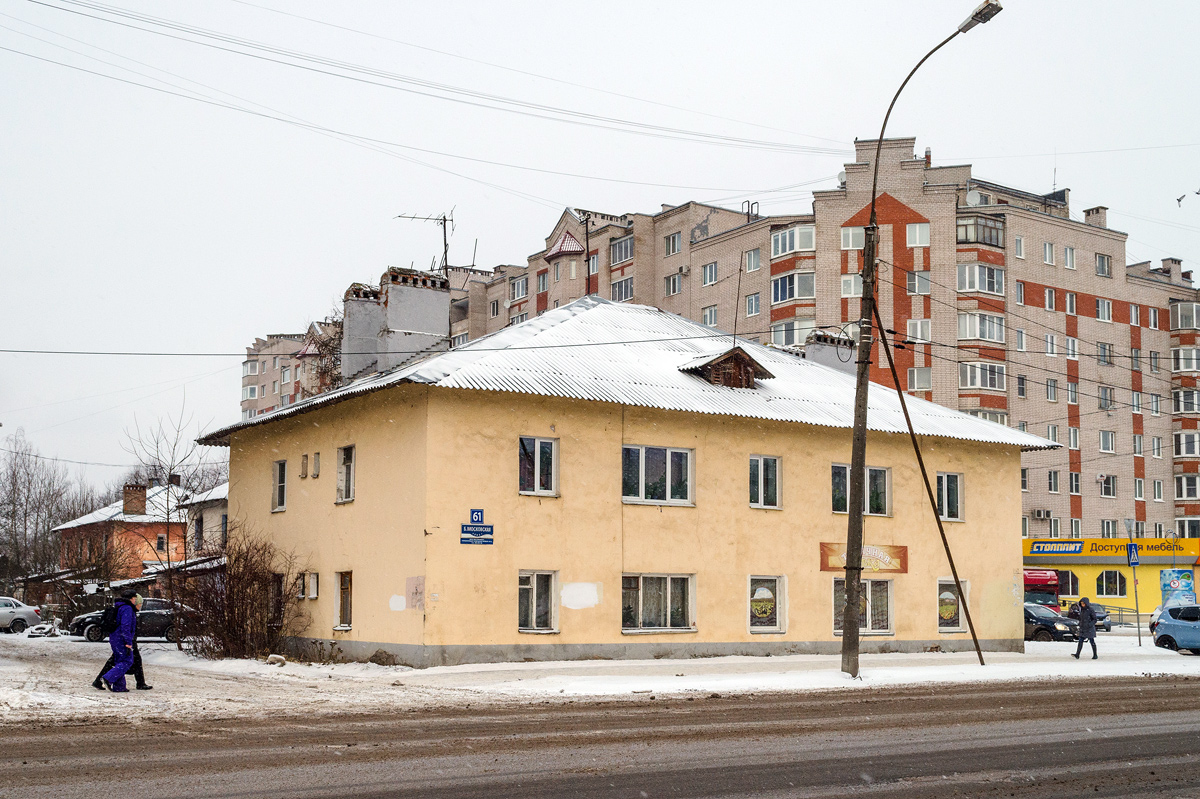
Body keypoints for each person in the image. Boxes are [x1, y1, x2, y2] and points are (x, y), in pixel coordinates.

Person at [99, 590, 142, 692]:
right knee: (128, 661)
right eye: (134, 598)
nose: (135, 600)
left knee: (120, 661)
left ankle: (119, 686)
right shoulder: (127, 609)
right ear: (130, 599)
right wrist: (128, 641)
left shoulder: (119, 606)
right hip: (121, 639)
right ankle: (107, 678)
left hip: (114, 637)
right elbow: (125, 626)